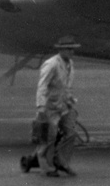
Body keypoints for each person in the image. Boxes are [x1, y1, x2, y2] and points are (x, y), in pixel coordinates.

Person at [22, 35, 80, 178]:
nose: (72, 52)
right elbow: (42, 86)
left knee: (71, 133)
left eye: (73, 49)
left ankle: (61, 162)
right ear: (61, 50)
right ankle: (47, 167)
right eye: (69, 49)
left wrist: (70, 101)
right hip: (50, 107)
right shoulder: (51, 64)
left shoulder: (70, 64)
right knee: (48, 138)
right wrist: (41, 107)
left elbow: (67, 86)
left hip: (64, 106)